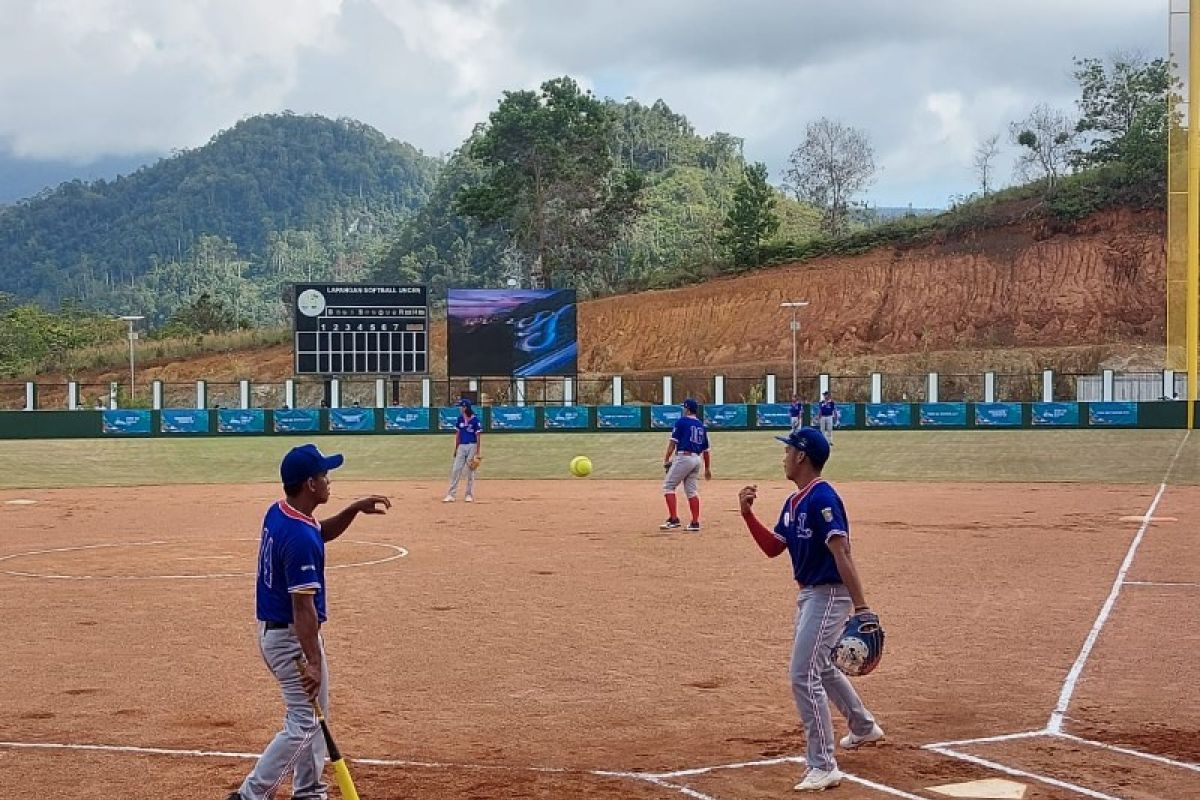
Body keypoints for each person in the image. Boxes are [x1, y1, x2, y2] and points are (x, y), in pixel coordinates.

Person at [228, 444, 390, 800]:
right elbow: (303, 608)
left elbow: (320, 532)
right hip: (290, 639)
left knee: (316, 718)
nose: (328, 481)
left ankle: (309, 792)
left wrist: (352, 510)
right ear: (309, 485)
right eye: (323, 476)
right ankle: (249, 795)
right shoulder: (299, 538)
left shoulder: (283, 512)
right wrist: (313, 661)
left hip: (280, 632)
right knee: (303, 723)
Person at [737, 428, 883, 792]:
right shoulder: (793, 502)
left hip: (830, 595)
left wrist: (861, 607)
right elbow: (774, 547)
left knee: (803, 674)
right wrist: (747, 515)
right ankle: (863, 726)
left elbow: (842, 551)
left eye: (787, 450)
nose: (783, 456)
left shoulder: (823, 498)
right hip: (809, 596)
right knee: (824, 668)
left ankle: (823, 765)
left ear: (801, 456)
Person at [659, 398, 712, 532]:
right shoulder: (701, 425)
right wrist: (707, 468)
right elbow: (706, 450)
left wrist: (666, 459)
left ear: (687, 409)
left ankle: (674, 519)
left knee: (668, 486)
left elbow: (673, 443)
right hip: (696, 460)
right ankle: (695, 522)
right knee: (691, 491)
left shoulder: (682, 422)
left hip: (684, 457)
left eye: (684, 407)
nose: (683, 409)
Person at [444, 398, 481, 503]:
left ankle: (469, 495)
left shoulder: (475, 420)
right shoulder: (460, 419)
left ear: (466, 407)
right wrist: (456, 448)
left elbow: (478, 437)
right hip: (461, 446)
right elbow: (458, 435)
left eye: (461, 406)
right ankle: (451, 494)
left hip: (472, 446)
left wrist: (477, 452)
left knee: (470, 471)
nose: (460, 408)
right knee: (456, 470)